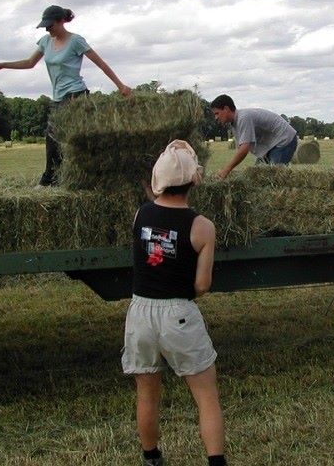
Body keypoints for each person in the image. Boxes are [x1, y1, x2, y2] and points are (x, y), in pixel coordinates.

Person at [122, 140, 227, 466]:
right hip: (178, 313)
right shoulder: (203, 227)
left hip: (139, 312)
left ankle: (151, 458)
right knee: (206, 397)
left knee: (148, 395)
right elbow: (202, 285)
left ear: (160, 179)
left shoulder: (141, 214)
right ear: (193, 181)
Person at [0, 5, 132, 186]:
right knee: (57, 139)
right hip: (57, 97)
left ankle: (49, 180)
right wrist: (3, 65)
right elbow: (30, 63)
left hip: (76, 96)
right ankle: (63, 178)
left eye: (50, 25)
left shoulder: (76, 41)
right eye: (45, 26)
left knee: (53, 135)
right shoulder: (45, 42)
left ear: (61, 21)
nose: (47, 29)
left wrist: (120, 86)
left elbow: (101, 64)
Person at [210, 94, 298, 179]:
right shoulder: (235, 124)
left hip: (283, 140)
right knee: (258, 176)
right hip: (271, 145)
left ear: (226, 109)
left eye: (217, 113)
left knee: (273, 179)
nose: (216, 118)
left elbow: (244, 149)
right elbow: (240, 149)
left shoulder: (243, 118)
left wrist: (226, 170)